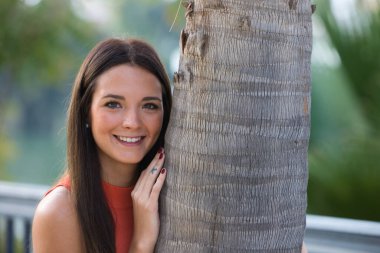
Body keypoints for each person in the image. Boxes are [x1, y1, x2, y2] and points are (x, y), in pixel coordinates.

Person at [32, 38, 172, 253]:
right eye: (113, 104)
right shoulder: (59, 212)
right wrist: (141, 243)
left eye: (149, 106)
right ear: (86, 110)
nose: (132, 122)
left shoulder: (177, 194)